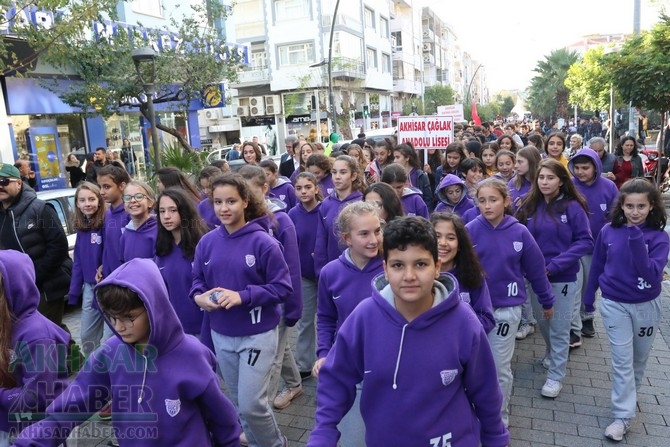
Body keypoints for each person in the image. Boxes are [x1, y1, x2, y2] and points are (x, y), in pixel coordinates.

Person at [308, 216, 510, 447]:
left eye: (421, 264)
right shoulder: (364, 317)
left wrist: (496, 437)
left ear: (437, 267)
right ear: (385, 269)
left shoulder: (464, 321)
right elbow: (335, 379)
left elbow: (485, 390)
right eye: (398, 265)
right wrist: (323, 432)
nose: (409, 276)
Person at [15, 258, 241, 446]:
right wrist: (30, 440)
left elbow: (222, 418)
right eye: (112, 318)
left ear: (155, 306)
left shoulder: (192, 354)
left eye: (129, 318)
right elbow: (72, 406)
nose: (120, 326)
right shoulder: (111, 355)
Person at [191, 173, 292, 447]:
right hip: (221, 334)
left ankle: (274, 444)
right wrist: (199, 297)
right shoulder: (206, 242)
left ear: (246, 201)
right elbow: (197, 280)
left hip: (257, 334)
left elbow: (283, 288)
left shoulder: (264, 243)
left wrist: (243, 296)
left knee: (251, 405)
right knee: (239, 404)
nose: (224, 208)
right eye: (218, 202)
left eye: (231, 201)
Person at [583, 178, 669, 441]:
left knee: (638, 360)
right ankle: (622, 415)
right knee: (622, 361)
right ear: (621, 205)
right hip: (614, 304)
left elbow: (652, 275)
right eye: (629, 206)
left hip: (646, 305)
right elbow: (597, 265)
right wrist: (589, 300)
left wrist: (636, 239)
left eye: (640, 206)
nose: (634, 212)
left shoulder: (660, 238)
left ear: (651, 206)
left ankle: (629, 398)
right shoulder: (608, 231)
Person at [466, 178, 556, 426]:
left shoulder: (520, 232)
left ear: (506, 201)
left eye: (493, 200)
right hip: (473, 312)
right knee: (473, 368)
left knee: (497, 367)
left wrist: (547, 301)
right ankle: (471, 415)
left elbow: (536, 270)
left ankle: (498, 419)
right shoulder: (470, 229)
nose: (487, 205)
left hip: (506, 310)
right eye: (481, 200)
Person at [516, 159, 593, 398]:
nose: (545, 182)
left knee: (559, 327)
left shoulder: (572, 207)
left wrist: (555, 265)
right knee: (544, 323)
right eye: (541, 177)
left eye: (550, 177)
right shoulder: (529, 205)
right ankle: (551, 353)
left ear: (561, 181)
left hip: (563, 277)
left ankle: (555, 376)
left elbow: (585, 241)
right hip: (535, 277)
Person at [313, 202, 384, 446]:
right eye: (364, 233)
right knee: (353, 438)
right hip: (348, 366)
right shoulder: (330, 273)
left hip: (387, 367)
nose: (374, 239)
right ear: (346, 238)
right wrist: (323, 354)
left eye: (377, 230)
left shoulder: (391, 268)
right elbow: (325, 317)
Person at [237, 166, 303, 414]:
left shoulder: (281, 220)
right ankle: (296, 384)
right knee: (280, 346)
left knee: (272, 357)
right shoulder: (243, 221)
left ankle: (263, 414)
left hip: (280, 300)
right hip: (255, 302)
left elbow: (292, 267)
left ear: (265, 189)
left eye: (249, 191)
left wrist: (294, 305)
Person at [0, 251, 70, 446]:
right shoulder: (6, 325)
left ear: (14, 288)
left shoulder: (37, 336)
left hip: (36, 430)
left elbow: (35, 396)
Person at [0, 163, 70, 328]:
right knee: (53, 331)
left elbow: (58, 245)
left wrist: (35, 275)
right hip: (17, 288)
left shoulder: (40, 208)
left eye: (4, 181)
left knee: (45, 330)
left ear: (19, 183)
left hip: (45, 285)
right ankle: (73, 353)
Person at [568, 148, 619, 344]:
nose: (580, 172)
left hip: (597, 248)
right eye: (577, 167)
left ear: (596, 167)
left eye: (585, 168)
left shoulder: (609, 187)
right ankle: (573, 327)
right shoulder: (570, 186)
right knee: (573, 287)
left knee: (589, 285)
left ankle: (587, 316)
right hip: (573, 246)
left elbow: (616, 215)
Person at [155, 188, 208, 336]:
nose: (166, 216)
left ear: (184, 212)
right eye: (162, 211)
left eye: (173, 210)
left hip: (204, 328)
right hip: (176, 330)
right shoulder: (162, 249)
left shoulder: (203, 244)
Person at [431, 212, 495, 333]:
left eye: (450, 238)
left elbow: (487, 319)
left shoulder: (473, 276)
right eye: (437, 236)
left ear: (460, 244)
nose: (443, 243)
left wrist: (458, 328)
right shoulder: (419, 277)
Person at [288, 172, 323, 380]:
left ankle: (335, 358)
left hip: (326, 274)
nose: (303, 191)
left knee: (331, 320)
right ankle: (304, 364)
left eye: (308, 187)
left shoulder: (325, 210)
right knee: (305, 321)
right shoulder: (292, 214)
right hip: (305, 276)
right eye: (299, 188)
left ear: (316, 188)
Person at [68, 182, 106, 356]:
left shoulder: (107, 223)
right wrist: (74, 292)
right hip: (90, 288)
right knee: (87, 336)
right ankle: (97, 371)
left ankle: (118, 372)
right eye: (82, 200)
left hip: (109, 286)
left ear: (99, 200)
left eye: (91, 199)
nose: (87, 203)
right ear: (77, 203)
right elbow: (78, 263)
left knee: (113, 336)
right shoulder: (82, 229)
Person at [313, 155, 364, 275]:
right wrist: (320, 271)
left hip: (359, 269)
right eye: (334, 172)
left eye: (343, 172)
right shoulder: (326, 204)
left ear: (353, 176)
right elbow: (321, 241)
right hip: (333, 270)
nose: (337, 177)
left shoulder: (363, 202)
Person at [96, 163, 130, 283]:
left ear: (121, 186)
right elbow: (107, 246)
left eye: (107, 187)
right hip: (111, 279)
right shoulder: (107, 214)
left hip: (128, 280)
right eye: (100, 187)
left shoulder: (130, 214)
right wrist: (104, 266)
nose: (101, 192)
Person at [119, 180, 157, 263]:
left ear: (150, 202)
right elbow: (124, 263)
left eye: (139, 196)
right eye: (128, 198)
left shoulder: (158, 231)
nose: (133, 200)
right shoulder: (126, 234)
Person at [392, 142, 433, 208]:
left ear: (407, 158)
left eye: (397, 157)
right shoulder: (393, 175)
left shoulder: (420, 175)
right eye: (394, 157)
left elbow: (428, 200)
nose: (394, 161)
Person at [197, 165, 223, 230]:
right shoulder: (202, 206)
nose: (205, 191)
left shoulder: (234, 202)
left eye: (209, 187)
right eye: (203, 188)